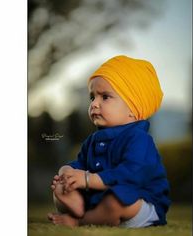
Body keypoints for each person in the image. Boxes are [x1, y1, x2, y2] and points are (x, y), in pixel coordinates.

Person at [48, 55, 171, 228]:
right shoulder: (93, 140)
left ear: (132, 108)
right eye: (92, 97)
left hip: (139, 202)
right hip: (100, 196)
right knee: (61, 187)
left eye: (105, 97)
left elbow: (130, 174)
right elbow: (82, 164)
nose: (94, 104)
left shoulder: (139, 139)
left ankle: (79, 220)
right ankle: (79, 206)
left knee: (116, 201)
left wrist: (88, 179)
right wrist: (68, 171)